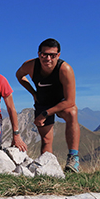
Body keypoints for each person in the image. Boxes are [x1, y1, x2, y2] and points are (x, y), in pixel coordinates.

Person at [16, 38, 80, 172]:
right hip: (43, 101)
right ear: (39, 54)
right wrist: (33, 93)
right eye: (44, 55)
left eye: (53, 55)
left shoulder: (65, 69)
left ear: (58, 55)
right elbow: (19, 75)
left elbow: (70, 101)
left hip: (61, 103)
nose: (48, 58)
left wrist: (45, 114)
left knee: (72, 113)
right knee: (46, 140)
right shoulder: (31, 66)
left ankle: (73, 158)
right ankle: (48, 169)